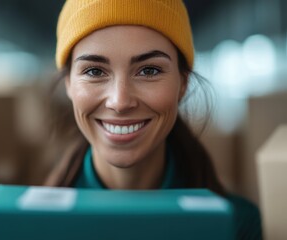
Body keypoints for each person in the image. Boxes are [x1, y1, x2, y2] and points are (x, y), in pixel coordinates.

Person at [44, 0, 262, 239]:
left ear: (183, 83)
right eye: (94, 71)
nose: (120, 101)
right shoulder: (32, 224)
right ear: (69, 84)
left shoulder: (237, 226)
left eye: (149, 71)